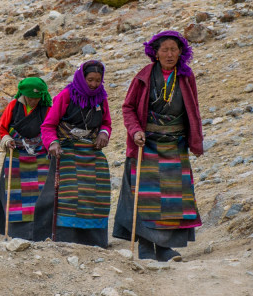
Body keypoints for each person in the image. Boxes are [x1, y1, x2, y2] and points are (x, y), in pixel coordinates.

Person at [113, 30, 203, 261]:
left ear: (181, 52)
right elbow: (128, 108)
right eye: (165, 49)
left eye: (174, 49)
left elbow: (193, 109)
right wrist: (135, 131)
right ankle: (145, 247)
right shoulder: (143, 76)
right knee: (147, 198)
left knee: (173, 200)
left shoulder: (185, 76)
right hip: (147, 145)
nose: (170, 54)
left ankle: (164, 249)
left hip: (175, 145)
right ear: (156, 52)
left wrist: (195, 140)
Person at [40, 60, 112, 248]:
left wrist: (104, 134)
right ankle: (66, 239)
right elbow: (48, 125)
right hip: (67, 151)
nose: (94, 84)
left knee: (97, 194)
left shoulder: (101, 98)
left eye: (98, 80)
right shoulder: (66, 95)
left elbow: (106, 123)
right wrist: (53, 143)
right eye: (90, 80)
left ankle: (95, 241)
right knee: (69, 195)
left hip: (91, 151)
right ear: (82, 77)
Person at [0, 77, 53, 241]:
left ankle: (42, 230)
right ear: (23, 95)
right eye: (30, 98)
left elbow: (51, 128)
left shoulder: (46, 108)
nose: (33, 101)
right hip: (16, 153)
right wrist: (6, 139)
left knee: (42, 191)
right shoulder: (13, 106)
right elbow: (3, 128)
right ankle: (16, 233)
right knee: (15, 195)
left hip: (41, 155)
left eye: (37, 98)